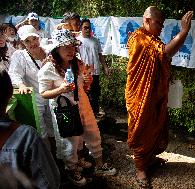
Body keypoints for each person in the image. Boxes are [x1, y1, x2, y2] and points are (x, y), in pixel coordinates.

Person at [125, 6, 193, 188]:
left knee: (155, 126)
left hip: (154, 94)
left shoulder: (151, 39)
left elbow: (160, 58)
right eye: (158, 23)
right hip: (140, 96)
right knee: (142, 128)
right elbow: (165, 52)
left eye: (163, 24)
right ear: (146, 20)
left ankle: (150, 159)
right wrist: (184, 31)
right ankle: (141, 169)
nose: (161, 27)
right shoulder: (140, 40)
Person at [38, 29, 116, 186]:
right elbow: (44, 93)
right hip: (64, 110)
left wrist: (87, 80)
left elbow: (84, 86)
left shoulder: (77, 63)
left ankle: (99, 165)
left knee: (92, 131)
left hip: (83, 104)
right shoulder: (48, 68)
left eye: (73, 47)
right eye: (66, 47)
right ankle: (71, 168)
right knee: (69, 139)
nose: (71, 50)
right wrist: (61, 89)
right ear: (56, 49)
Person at [0, 65, 60, 189]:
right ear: (11, 92)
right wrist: (21, 84)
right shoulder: (25, 137)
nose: (33, 44)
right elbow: (49, 183)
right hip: (38, 102)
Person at [8, 25, 55, 156]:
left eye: (34, 39)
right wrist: (20, 85)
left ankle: (58, 155)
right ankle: (46, 157)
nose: (32, 43)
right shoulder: (20, 56)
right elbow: (14, 74)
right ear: (22, 42)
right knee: (41, 130)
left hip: (53, 97)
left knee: (54, 127)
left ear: (38, 37)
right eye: (27, 41)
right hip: (36, 99)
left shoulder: (49, 52)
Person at [77, 18, 110, 116]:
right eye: (85, 28)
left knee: (95, 94)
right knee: (85, 94)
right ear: (81, 28)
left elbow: (100, 55)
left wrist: (105, 67)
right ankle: (86, 116)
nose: (87, 30)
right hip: (84, 74)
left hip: (95, 72)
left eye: (89, 28)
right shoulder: (77, 41)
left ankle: (95, 115)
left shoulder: (95, 40)